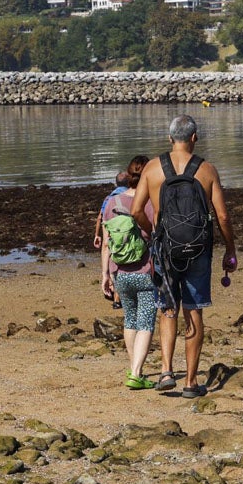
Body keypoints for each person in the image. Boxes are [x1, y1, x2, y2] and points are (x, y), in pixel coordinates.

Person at [132, 116, 237, 399]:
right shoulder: (207, 170)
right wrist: (230, 248)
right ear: (195, 138)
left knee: (168, 309)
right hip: (199, 250)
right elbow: (223, 216)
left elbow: (135, 210)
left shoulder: (153, 168)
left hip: (165, 249)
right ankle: (191, 382)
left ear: (169, 139)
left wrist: (152, 230)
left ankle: (166, 371)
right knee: (194, 310)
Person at [101, 155, 156, 389]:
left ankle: (133, 368)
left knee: (130, 319)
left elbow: (106, 243)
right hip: (146, 270)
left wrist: (104, 275)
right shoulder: (151, 203)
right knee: (146, 322)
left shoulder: (112, 203)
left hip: (120, 271)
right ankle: (136, 372)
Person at [92, 171, 130, 250]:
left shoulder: (109, 198)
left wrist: (97, 235)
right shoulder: (132, 196)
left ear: (116, 183)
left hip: (114, 234)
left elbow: (100, 217)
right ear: (129, 183)